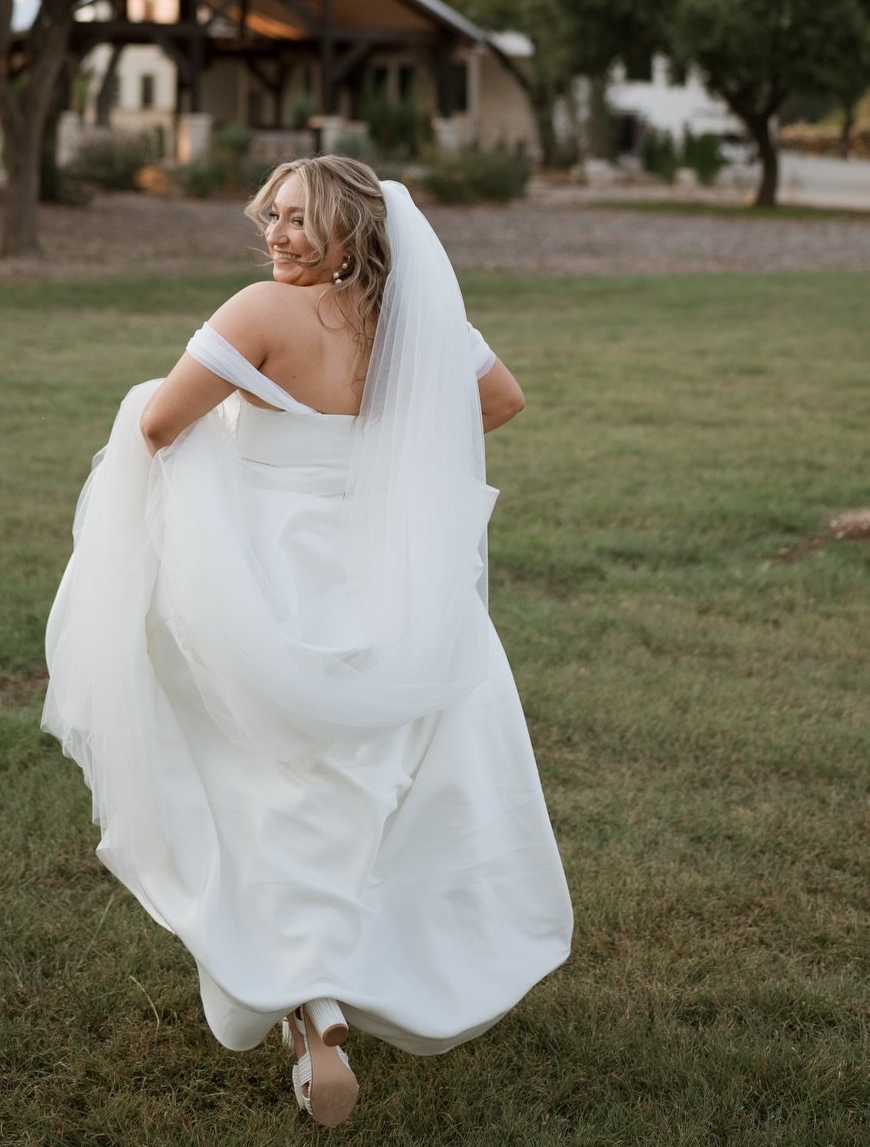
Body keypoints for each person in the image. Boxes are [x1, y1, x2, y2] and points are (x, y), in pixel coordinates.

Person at [42, 155, 572, 1128]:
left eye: (300, 220)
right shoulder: (415, 320)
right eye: (272, 217)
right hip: (386, 579)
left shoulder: (260, 314)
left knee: (253, 775)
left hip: (271, 575)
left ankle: (311, 1009)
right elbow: (501, 402)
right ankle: (340, 986)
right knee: (363, 781)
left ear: (349, 232)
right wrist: (391, 441)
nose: (276, 236)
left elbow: (160, 422)